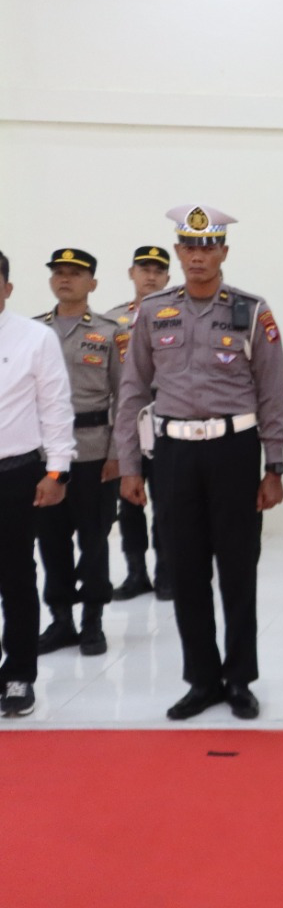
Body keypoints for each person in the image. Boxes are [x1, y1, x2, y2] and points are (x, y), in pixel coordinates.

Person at [115, 205, 283, 721]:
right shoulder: (153, 312)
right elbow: (132, 389)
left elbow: (271, 390)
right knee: (185, 570)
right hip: (174, 455)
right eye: (189, 246)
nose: (198, 255)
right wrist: (129, 465)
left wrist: (274, 465)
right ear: (178, 252)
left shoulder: (252, 311)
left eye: (208, 246)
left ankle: (239, 679)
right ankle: (202, 679)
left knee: (237, 569)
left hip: (234, 451)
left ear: (223, 252)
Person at [33, 249, 123, 659]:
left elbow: (125, 397)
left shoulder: (110, 332)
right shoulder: (35, 331)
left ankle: (92, 621)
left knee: (94, 541)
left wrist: (118, 453)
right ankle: (61, 620)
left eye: (75, 273)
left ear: (93, 283)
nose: (65, 279)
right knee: (51, 542)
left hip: (93, 453)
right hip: (45, 456)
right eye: (59, 273)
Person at [0, 251, 74, 717]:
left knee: (15, 577)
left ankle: (18, 675)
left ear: (7, 288)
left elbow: (56, 407)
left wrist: (58, 470)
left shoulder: (35, 337)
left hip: (15, 473)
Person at [111, 245, 173, 601]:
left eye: (158, 270)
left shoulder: (176, 315)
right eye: (144, 269)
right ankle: (136, 573)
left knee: (166, 500)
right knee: (129, 501)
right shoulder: (112, 321)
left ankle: (167, 571)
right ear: (131, 273)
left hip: (165, 418)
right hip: (128, 421)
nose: (151, 276)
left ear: (167, 277)